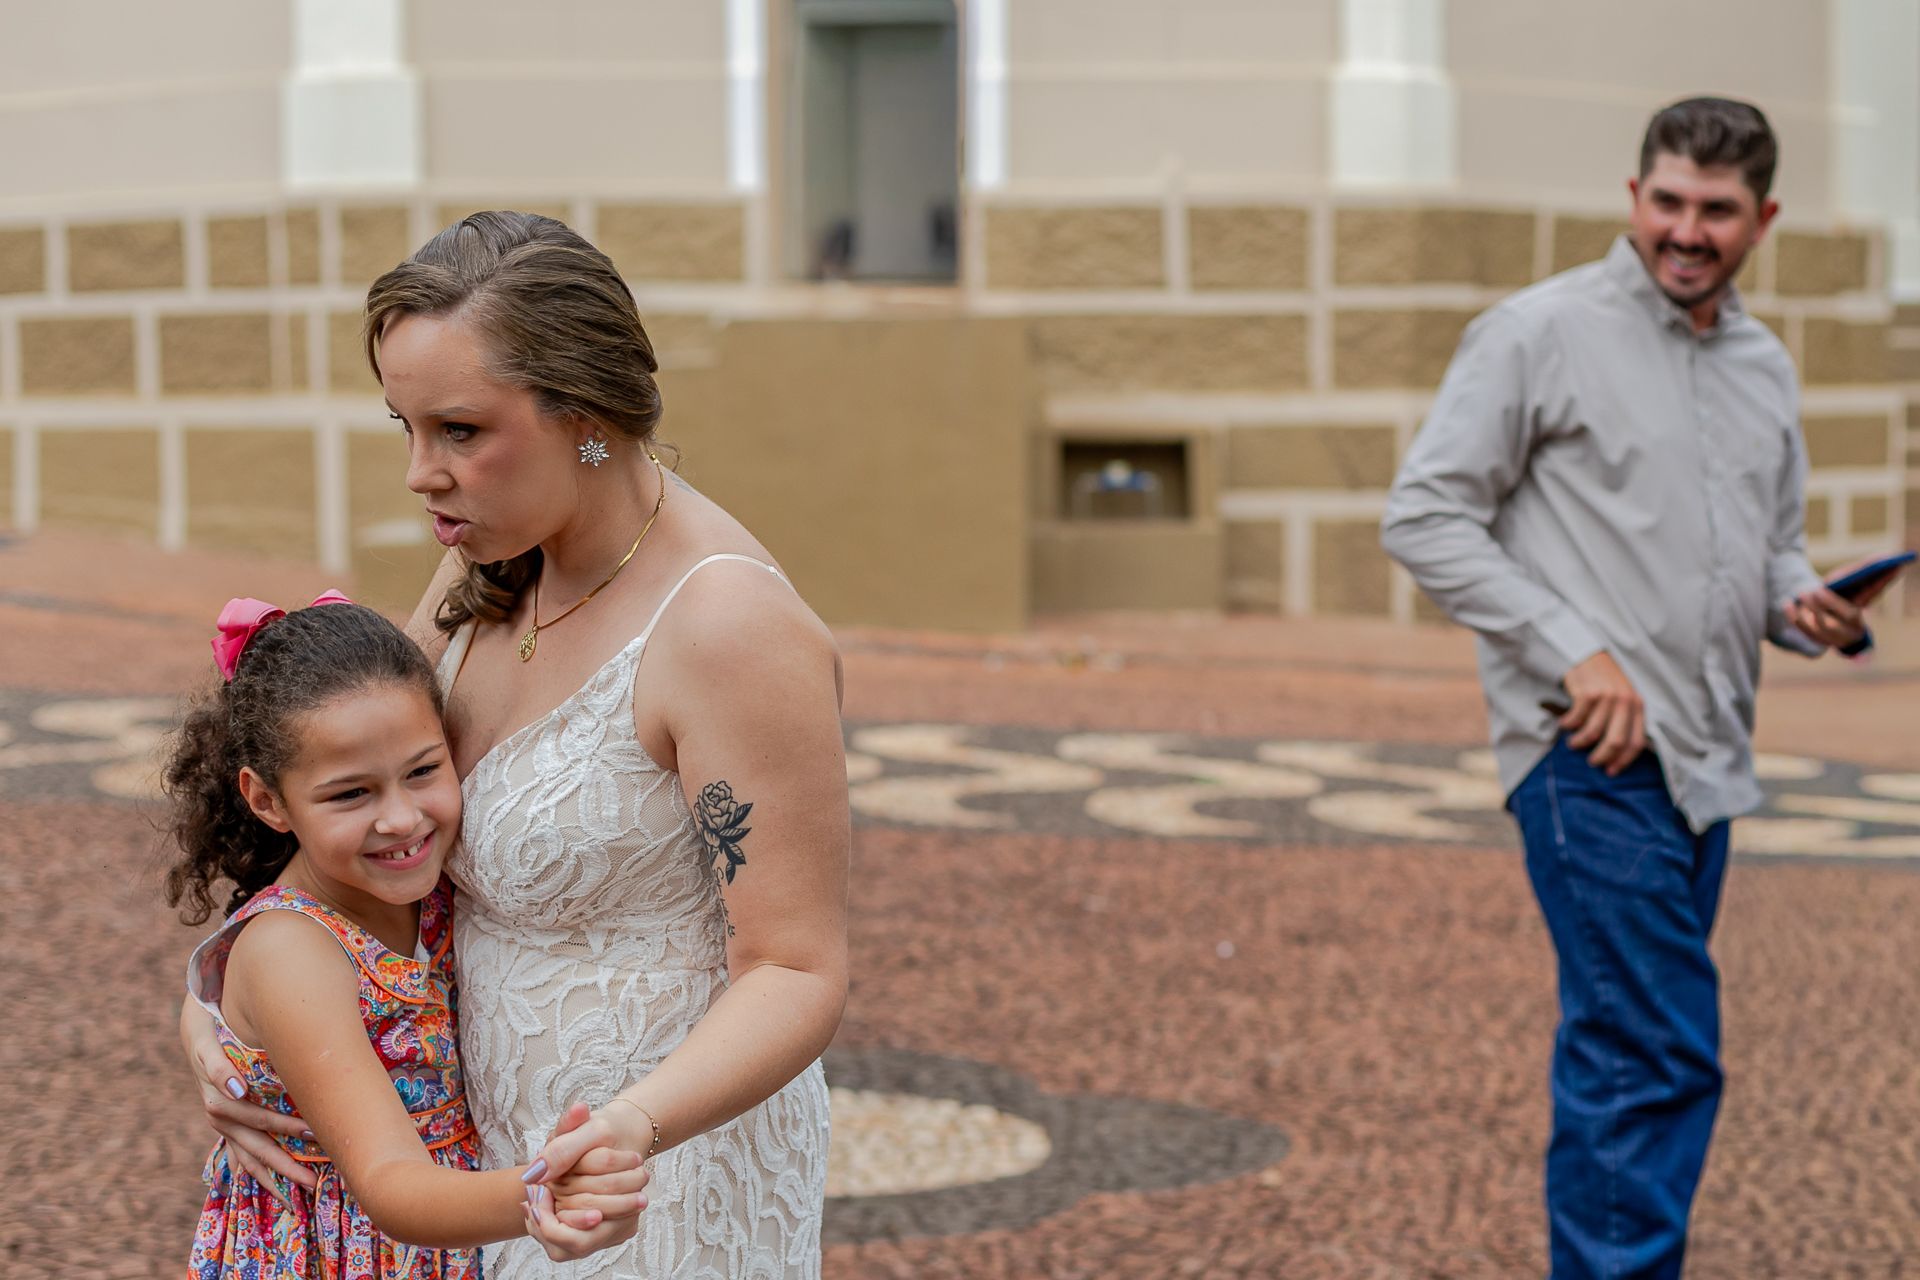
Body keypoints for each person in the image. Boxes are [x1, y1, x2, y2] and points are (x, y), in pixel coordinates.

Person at [184, 210, 851, 1278]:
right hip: (471, 1168)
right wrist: (215, 1006)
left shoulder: (724, 626)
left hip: (644, 1181)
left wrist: (628, 1128)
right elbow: (339, 799)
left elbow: (795, 965)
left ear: (584, 416)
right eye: (403, 427)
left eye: (458, 431)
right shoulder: (484, 569)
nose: (420, 473)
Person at [1381, 97, 1890, 1278]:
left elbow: (1762, 552)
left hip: (1709, 762)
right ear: (1633, 197)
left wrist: (1805, 604)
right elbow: (1423, 514)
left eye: (1717, 210)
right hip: (1587, 756)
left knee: (1626, 1049)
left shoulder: (1764, 364)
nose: (1686, 229)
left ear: (1762, 218)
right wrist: (1574, 647)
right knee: (1652, 1055)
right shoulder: (1535, 333)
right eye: (1667, 201)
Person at [165, 592, 651, 1277]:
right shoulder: (293, 950)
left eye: (423, 771)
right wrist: (546, 1192)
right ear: (267, 800)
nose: (401, 819)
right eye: (350, 794)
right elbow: (392, 1183)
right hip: (335, 1254)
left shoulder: (439, 887)